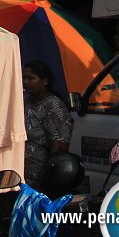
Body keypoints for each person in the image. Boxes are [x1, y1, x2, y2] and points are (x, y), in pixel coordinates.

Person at [22, 60, 74, 188]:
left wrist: (43, 181)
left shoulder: (54, 107)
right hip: (23, 178)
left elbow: (59, 147)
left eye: (31, 78)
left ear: (45, 81)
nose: (26, 82)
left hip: (42, 180)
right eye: (24, 78)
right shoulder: (26, 102)